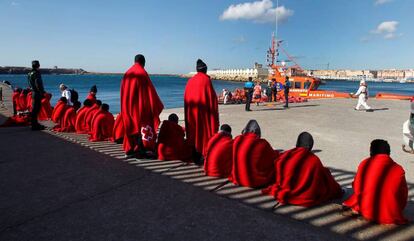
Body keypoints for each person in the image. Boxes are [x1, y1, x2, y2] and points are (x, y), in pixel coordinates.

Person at [262, 132, 343, 207]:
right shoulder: (313, 160)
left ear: (297, 144)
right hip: (305, 198)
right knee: (325, 174)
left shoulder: (286, 155)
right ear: (310, 147)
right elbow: (322, 178)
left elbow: (277, 164)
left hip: (285, 192)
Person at [343, 139, 408, 224]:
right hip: (390, 214)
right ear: (389, 152)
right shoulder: (398, 169)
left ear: (371, 152)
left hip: (365, 210)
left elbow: (356, 187)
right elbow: (403, 194)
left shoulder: (365, 163)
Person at [120, 54, 164, 158]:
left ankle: (131, 149)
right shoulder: (142, 73)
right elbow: (150, 92)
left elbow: (123, 92)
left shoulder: (127, 73)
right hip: (139, 107)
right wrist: (156, 105)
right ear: (143, 62)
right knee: (140, 127)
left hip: (127, 106)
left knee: (131, 127)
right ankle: (140, 150)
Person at [184, 59, 219, 164]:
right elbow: (212, 101)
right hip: (203, 114)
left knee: (193, 133)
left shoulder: (190, 81)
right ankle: (202, 154)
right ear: (205, 70)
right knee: (203, 134)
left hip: (191, 113)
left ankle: (194, 153)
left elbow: (186, 98)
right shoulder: (207, 81)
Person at [229, 120, 279, 188]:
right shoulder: (262, 143)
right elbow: (273, 157)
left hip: (238, 178)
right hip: (256, 181)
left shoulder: (237, 140)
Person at [27, 60, 46, 130]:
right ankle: (34, 125)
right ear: (38, 65)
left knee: (34, 109)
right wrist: (42, 92)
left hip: (33, 92)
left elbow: (29, 83)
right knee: (36, 109)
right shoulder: (36, 73)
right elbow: (38, 83)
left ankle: (34, 123)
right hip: (37, 93)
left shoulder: (29, 73)